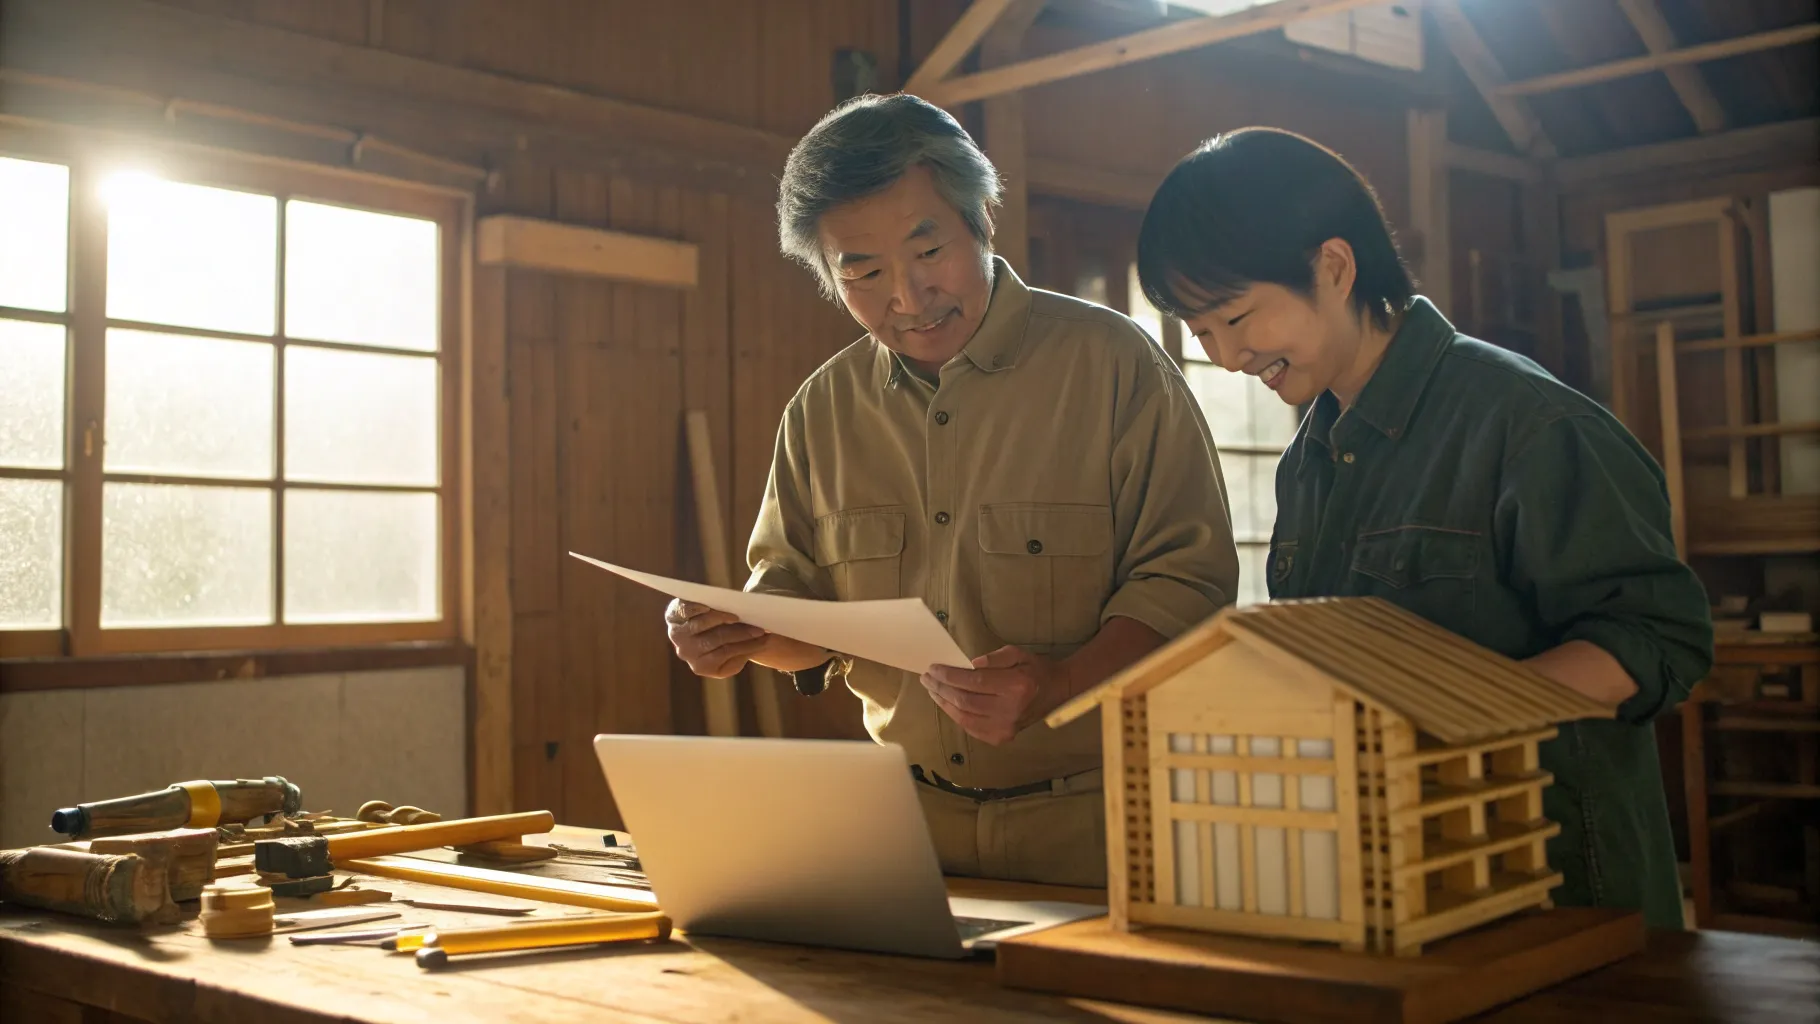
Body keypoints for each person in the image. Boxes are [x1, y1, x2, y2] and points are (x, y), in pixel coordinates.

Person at [1134, 126, 1714, 929]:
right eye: (1201, 334)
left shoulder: (1528, 424)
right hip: (1392, 895)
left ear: (1334, 268)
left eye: (1237, 317)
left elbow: (1657, 636)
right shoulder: (1309, 457)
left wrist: (1449, 730)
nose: (1228, 355)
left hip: (1558, 893)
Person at [664, 94, 1239, 888]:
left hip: (1102, 823)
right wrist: (742, 635)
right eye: (862, 272)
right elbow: (803, 611)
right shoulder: (821, 412)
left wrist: (1060, 684)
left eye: (927, 251)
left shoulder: (1114, 367)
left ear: (980, 221)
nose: (907, 296)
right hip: (906, 831)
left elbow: (1189, 583)